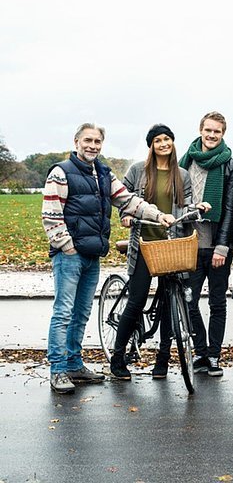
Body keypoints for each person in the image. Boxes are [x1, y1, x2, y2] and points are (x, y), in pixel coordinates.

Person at [42, 123, 171, 394]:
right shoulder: (61, 172)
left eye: (97, 141)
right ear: (76, 141)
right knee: (63, 313)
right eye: (87, 140)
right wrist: (67, 247)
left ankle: (75, 364)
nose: (92, 145)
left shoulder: (102, 173)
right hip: (70, 256)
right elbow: (51, 216)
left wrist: (157, 215)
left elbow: (128, 200)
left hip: (92, 254)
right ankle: (58, 369)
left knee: (81, 313)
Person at [110, 124, 209, 381]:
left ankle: (162, 361)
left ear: (173, 142)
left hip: (171, 245)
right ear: (151, 145)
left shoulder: (182, 174)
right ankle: (118, 358)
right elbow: (124, 198)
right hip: (145, 244)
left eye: (167, 139)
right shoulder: (138, 171)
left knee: (169, 305)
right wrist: (126, 217)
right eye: (158, 140)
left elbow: (185, 203)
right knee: (136, 301)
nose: (163, 144)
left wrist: (197, 207)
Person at [180, 111, 233, 376]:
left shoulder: (231, 166)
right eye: (208, 130)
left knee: (217, 303)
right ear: (200, 129)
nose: (211, 135)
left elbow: (230, 210)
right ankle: (201, 352)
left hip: (216, 246)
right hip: (189, 245)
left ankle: (215, 355)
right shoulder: (184, 162)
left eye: (217, 131)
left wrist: (222, 247)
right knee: (189, 302)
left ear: (223, 134)